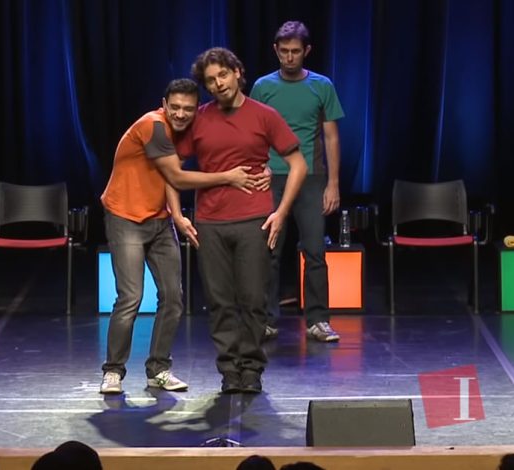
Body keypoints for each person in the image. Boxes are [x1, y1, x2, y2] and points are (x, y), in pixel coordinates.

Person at [99, 78, 270, 394]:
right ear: (164, 104)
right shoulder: (153, 125)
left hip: (159, 219)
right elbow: (176, 176)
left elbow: (230, 150)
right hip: (126, 217)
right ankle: (113, 371)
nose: (180, 114)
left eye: (188, 109)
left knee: (173, 298)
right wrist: (228, 178)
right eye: (175, 107)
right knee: (131, 297)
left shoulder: (187, 131)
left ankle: (158, 369)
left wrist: (264, 168)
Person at [180, 47, 307, 394]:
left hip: (254, 219)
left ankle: (251, 368)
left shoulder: (264, 115)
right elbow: (171, 169)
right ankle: (229, 370)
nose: (218, 84)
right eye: (210, 80)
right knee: (219, 301)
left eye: (223, 75)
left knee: (252, 299)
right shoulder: (200, 118)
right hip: (210, 222)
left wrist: (281, 211)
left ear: (237, 72)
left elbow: (298, 164)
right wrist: (178, 214)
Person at [250, 20, 345, 343]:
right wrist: (258, 169)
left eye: (295, 52)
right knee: (269, 251)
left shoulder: (322, 85)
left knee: (315, 250)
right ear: (275, 50)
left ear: (307, 51)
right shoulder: (263, 87)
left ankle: (318, 320)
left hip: (311, 177)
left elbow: (331, 137)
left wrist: (333, 183)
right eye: (284, 51)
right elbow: (255, 133)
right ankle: (265, 320)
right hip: (272, 176)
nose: (289, 57)